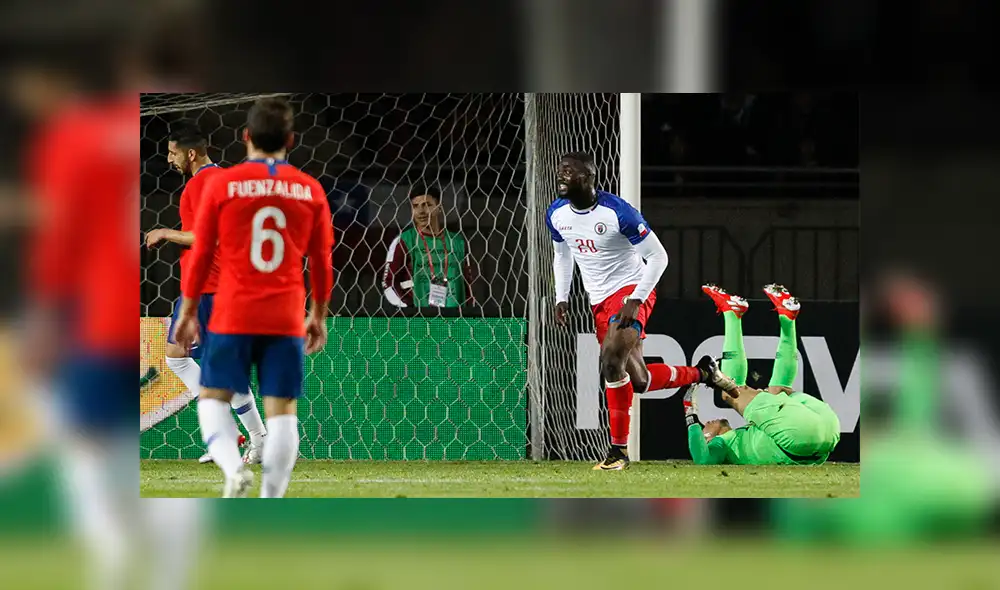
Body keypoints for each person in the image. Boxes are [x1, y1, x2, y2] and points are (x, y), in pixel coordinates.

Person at [174, 97, 334, 498]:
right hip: (282, 314)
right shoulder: (308, 188)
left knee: (212, 397)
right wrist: (317, 315)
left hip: (232, 308)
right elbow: (321, 261)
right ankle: (271, 498)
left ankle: (232, 470)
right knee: (283, 414)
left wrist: (190, 308)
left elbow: (202, 250)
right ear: (292, 139)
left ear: (245, 136)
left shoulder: (224, 184)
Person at [546, 152, 731, 470]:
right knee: (640, 380)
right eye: (559, 171)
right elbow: (562, 256)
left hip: (631, 293)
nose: (561, 176)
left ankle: (618, 451)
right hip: (598, 301)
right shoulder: (556, 213)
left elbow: (659, 257)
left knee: (610, 359)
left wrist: (636, 298)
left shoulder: (619, 212)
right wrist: (561, 296)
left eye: (569, 172)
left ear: (589, 177)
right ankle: (703, 373)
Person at [144, 121, 268, 464]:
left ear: (191, 153)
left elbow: (206, 236)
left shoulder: (205, 182)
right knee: (176, 355)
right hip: (199, 287)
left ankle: (258, 439)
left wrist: (166, 232)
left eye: (172, 152)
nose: (169, 159)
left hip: (214, 288)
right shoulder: (218, 181)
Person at [683, 283, 841, 465]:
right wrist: (690, 415)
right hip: (808, 430)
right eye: (704, 429)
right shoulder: (724, 447)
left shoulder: (751, 438)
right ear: (708, 440)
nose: (706, 422)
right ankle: (734, 313)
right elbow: (702, 459)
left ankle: (784, 318)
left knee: (778, 391)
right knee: (730, 393)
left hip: (828, 433)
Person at [382, 186, 476, 308]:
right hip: (419, 318)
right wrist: (410, 309)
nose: (421, 211)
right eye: (415, 206)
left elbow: (467, 282)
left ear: (439, 208)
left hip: (454, 318)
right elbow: (388, 283)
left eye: (427, 205)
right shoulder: (404, 241)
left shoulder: (458, 241)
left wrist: (469, 311)